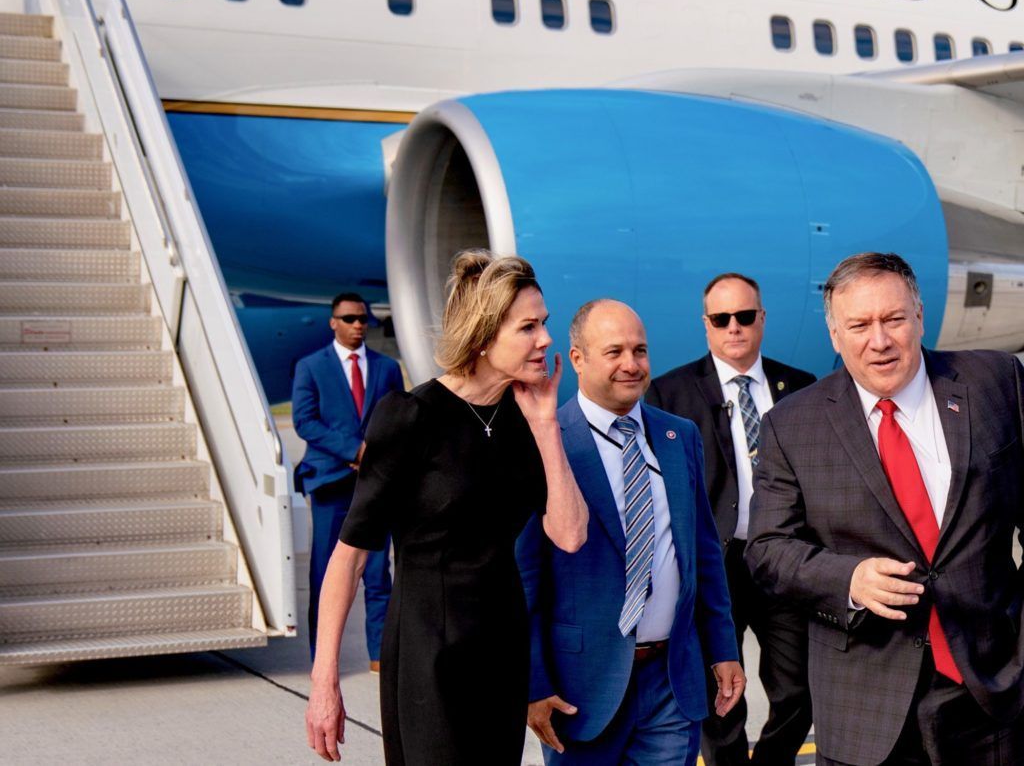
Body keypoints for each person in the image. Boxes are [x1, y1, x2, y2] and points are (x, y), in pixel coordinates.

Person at [305, 251, 589, 764]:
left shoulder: (529, 418)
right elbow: (349, 557)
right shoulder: (410, 418)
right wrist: (325, 683)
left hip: (501, 650)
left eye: (543, 323)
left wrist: (547, 426)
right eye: (528, 327)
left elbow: (569, 535)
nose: (545, 339)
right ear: (483, 336)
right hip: (426, 649)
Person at [746, 252, 1024, 765]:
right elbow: (766, 550)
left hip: (993, 692)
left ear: (919, 316)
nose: (880, 340)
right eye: (859, 325)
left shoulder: (996, 382)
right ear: (835, 335)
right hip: (865, 706)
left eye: (893, 319)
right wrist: (846, 578)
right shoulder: (793, 425)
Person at [518, 298, 744, 765]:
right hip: (581, 689)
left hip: (671, 681)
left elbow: (703, 555)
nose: (631, 364)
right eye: (614, 352)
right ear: (576, 359)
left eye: (639, 351)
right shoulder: (545, 442)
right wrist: (533, 683)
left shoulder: (677, 436)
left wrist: (724, 648)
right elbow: (525, 581)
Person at [646, 273, 815, 765]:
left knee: (799, 684)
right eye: (722, 319)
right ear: (706, 325)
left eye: (744, 316)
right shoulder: (669, 394)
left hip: (782, 558)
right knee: (720, 691)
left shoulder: (800, 388)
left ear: (762, 319)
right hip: (715, 563)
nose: (734, 328)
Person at [292, 291, 404, 665]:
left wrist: (379, 454)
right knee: (325, 573)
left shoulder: (386, 368)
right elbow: (304, 421)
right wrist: (354, 450)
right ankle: (322, 657)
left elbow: (399, 418)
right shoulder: (311, 366)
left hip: (375, 483)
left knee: (377, 572)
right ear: (333, 322)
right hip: (329, 483)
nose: (359, 325)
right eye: (350, 318)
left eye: (363, 319)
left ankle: (380, 654)